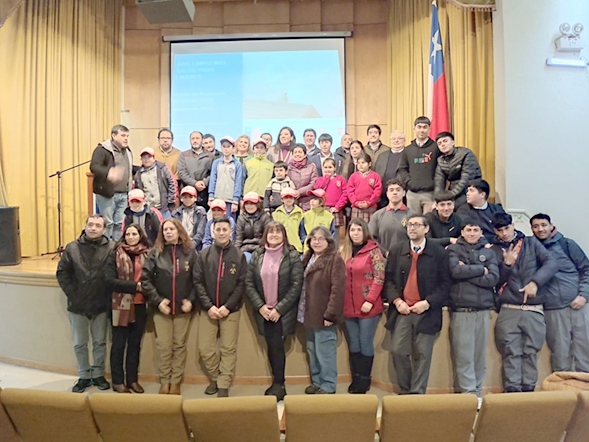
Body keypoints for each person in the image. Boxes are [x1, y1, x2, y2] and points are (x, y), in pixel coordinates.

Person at [491, 212, 558, 392]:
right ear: (494, 231)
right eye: (500, 230)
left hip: (533, 308)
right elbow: (493, 281)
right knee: (510, 351)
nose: (504, 233)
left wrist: (535, 282)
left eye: (507, 228)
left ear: (513, 225)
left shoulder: (530, 242)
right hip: (509, 307)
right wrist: (506, 265)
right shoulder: (493, 250)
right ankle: (512, 390)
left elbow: (552, 263)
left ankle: (529, 391)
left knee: (531, 351)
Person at [384, 214, 450, 394]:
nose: (412, 228)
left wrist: (427, 303)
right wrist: (397, 301)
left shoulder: (439, 253)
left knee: (422, 354)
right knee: (398, 351)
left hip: (427, 311)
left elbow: (445, 285)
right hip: (403, 311)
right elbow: (388, 280)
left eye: (416, 225)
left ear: (426, 229)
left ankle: (417, 394)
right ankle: (406, 391)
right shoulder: (397, 250)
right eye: (409, 225)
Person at [56, 214, 114, 393]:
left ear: (104, 229)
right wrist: (74, 295)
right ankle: (84, 375)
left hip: (101, 304)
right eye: (90, 224)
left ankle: (97, 374)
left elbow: (114, 274)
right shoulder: (72, 248)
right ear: (85, 226)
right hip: (78, 304)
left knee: (99, 342)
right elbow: (63, 273)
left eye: (98, 225)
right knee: (79, 343)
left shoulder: (112, 248)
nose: (93, 228)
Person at [246, 222, 304, 401]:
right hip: (264, 311)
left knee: (277, 348)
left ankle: (280, 384)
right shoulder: (257, 255)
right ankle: (277, 383)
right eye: (271, 232)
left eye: (278, 232)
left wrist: (279, 309)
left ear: (284, 235)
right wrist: (260, 306)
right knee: (272, 347)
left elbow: (296, 285)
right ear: (265, 235)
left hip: (282, 312)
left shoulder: (292, 256)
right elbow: (249, 283)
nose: (274, 235)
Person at [141, 218, 197, 395]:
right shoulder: (155, 253)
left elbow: (198, 280)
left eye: (172, 229)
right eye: (165, 230)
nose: (168, 232)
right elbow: (145, 280)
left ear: (179, 231)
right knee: (164, 346)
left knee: (179, 346)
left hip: (183, 308)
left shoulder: (190, 253)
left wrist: (191, 300)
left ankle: (176, 381)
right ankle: (164, 381)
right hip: (161, 309)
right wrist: (158, 301)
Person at [447, 219, 499, 406]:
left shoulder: (489, 252)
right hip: (462, 310)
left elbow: (493, 278)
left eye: (475, 230)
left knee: (479, 356)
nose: (471, 233)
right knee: (464, 355)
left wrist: (467, 272)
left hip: (483, 309)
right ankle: (469, 394)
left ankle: (477, 391)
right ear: (462, 231)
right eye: (468, 230)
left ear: (480, 232)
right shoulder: (454, 250)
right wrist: (480, 270)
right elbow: (455, 271)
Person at [194, 217, 248, 397]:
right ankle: (216, 378)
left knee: (228, 348)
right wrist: (209, 306)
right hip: (208, 310)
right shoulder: (204, 255)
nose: (222, 233)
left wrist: (227, 306)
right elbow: (198, 282)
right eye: (218, 229)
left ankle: (223, 384)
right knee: (205, 349)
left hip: (230, 310)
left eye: (225, 229)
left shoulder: (239, 255)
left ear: (231, 231)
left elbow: (241, 284)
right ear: (212, 231)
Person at [530, 213, 589, 373]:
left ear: (551, 225)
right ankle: (563, 393)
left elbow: (586, 269)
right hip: (553, 308)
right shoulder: (531, 249)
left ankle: (585, 391)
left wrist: (583, 295)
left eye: (543, 225)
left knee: (584, 348)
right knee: (559, 352)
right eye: (536, 226)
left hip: (578, 304)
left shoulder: (567, 244)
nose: (540, 229)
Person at [340, 218, 386, 394]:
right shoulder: (344, 251)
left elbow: (379, 277)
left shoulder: (374, 251)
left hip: (368, 306)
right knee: (354, 343)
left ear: (364, 232)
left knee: (365, 342)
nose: (355, 234)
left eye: (359, 230)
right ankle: (356, 377)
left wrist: (370, 300)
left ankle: (365, 380)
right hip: (348, 306)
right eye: (352, 230)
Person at [105, 223, 151, 394]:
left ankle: (132, 380)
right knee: (118, 344)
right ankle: (117, 381)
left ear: (140, 236)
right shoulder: (115, 254)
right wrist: (135, 287)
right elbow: (109, 280)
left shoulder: (147, 253)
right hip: (120, 307)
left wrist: (143, 288)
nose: (131, 237)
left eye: (134, 234)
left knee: (134, 345)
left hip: (140, 305)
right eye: (128, 234)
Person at [299, 226, 346, 394]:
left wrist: (330, 314)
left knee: (325, 352)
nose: (316, 242)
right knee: (312, 351)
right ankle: (317, 381)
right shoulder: (308, 258)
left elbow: (338, 289)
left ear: (328, 241)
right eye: (313, 239)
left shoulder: (335, 259)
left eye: (320, 239)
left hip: (324, 315)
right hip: (309, 314)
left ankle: (328, 385)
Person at [90, 124, 133, 241]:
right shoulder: (102, 149)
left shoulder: (127, 151)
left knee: (119, 224)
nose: (126, 138)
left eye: (127, 136)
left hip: (124, 194)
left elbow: (128, 168)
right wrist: (109, 172)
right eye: (123, 135)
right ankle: (105, 250)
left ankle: (116, 249)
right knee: (107, 224)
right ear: (113, 136)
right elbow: (94, 166)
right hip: (107, 194)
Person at [397, 116, 440, 215]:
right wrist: (410, 182)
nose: (422, 130)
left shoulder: (435, 148)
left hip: (430, 193)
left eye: (425, 127)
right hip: (412, 194)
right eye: (419, 127)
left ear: (429, 129)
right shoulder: (407, 150)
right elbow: (402, 169)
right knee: (414, 223)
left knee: (429, 223)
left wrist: (434, 183)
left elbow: (441, 169)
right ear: (414, 129)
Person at [434, 132, 482, 208]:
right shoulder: (440, 160)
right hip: (454, 191)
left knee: (454, 206)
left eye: (445, 141)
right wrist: (438, 198)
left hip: (470, 189)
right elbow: (438, 180)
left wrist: (450, 195)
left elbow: (466, 179)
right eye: (439, 143)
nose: (442, 144)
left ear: (453, 142)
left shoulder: (466, 154)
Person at [368, 179, 414, 253]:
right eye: (391, 190)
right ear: (387, 193)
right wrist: (384, 253)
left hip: (405, 259)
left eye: (398, 190)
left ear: (404, 193)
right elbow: (371, 238)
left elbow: (417, 239)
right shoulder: (377, 215)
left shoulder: (412, 215)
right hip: (382, 259)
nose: (395, 193)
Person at [134, 147, 177, 219]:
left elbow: (172, 184)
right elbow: (138, 190)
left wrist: (170, 202)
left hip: (164, 208)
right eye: (144, 157)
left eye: (149, 157)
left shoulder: (162, 168)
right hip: (148, 209)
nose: (146, 159)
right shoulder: (138, 174)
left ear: (154, 158)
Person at [208, 136, 244, 221]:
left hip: (230, 200)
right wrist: (211, 197)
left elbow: (238, 183)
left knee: (230, 223)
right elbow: (213, 180)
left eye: (228, 146)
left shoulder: (237, 164)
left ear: (233, 148)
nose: (226, 149)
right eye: (224, 146)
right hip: (217, 198)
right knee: (216, 222)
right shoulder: (216, 163)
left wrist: (235, 201)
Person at [177, 131, 214, 210]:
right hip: (188, 194)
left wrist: (204, 182)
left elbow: (213, 173)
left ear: (202, 140)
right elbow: (182, 172)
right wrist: (194, 183)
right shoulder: (184, 155)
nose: (195, 140)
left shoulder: (210, 156)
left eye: (197, 138)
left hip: (205, 193)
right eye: (192, 138)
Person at [314, 158, 348, 239]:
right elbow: (317, 189)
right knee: (323, 231)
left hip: (336, 209)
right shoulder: (320, 179)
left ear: (335, 168)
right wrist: (326, 179)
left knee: (335, 233)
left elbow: (345, 193)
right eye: (325, 167)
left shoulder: (340, 179)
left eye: (330, 167)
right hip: (323, 208)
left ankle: (335, 249)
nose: (327, 169)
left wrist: (337, 207)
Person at [235, 192, 272, 262]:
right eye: (247, 204)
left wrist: (263, 249)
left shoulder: (265, 217)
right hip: (245, 249)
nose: (249, 206)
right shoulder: (241, 218)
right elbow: (238, 239)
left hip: (261, 249)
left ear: (258, 204)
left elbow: (267, 237)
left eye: (252, 203)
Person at [347, 153, 382, 223]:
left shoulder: (375, 176)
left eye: (363, 162)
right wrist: (356, 203)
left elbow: (377, 191)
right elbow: (350, 191)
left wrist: (369, 202)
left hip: (370, 207)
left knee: (370, 229)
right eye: (358, 163)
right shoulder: (353, 176)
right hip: (356, 207)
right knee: (356, 226)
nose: (360, 165)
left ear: (369, 164)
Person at [374, 130, 405, 208]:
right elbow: (376, 174)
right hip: (383, 195)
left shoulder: (408, 154)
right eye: (394, 139)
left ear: (404, 140)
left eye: (399, 138)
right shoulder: (382, 156)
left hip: (402, 195)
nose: (396, 141)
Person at [171, 186, 207, 252]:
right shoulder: (176, 213)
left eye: (190, 197)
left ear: (195, 198)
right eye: (185, 197)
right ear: (181, 199)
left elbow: (200, 233)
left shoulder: (200, 212)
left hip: (195, 245)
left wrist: (191, 245)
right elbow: (176, 231)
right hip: (180, 244)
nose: (188, 199)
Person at [272, 188, 305, 253]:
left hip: (296, 248)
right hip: (279, 248)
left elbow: (302, 233)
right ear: (282, 199)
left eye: (291, 197)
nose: (289, 199)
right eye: (286, 197)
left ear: (294, 199)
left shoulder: (300, 214)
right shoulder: (275, 214)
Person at [287, 144, 318, 212]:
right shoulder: (287, 167)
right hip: (291, 201)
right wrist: (293, 192)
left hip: (307, 202)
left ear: (305, 154)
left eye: (300, 152)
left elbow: (313, 183)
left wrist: (300, 192)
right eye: (295, 152)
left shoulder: (312, 166)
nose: (297, 154)